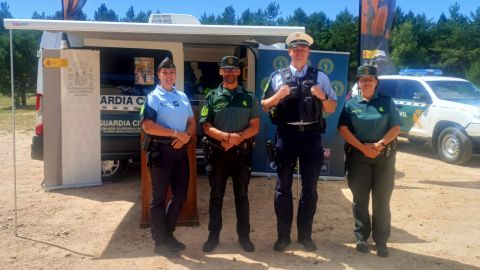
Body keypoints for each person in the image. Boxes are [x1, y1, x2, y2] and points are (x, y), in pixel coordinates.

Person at [261, 32, 337, 252]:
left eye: (304, 48)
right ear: (289, 52)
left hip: (312, 137)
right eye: (296, 49)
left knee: (309, 188)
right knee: (282, 188)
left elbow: (332, 107)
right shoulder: (277, 76)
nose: (300, 52)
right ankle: (283, 237)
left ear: (308, 52)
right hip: (286, 136)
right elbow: (265, 105)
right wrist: (278, 96)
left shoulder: (320, 77)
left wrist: (323, 97)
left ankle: (305, 236)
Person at [337, 65, 401, 257]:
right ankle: (362, 237)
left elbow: (396, 127)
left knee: (382, 200)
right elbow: (343, 129)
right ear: (358, 82)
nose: (366, 82)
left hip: (384, 157)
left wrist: (380, 145)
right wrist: (363, 148)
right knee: (360, 199)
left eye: (370, 79)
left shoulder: (387, 103)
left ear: (376, 82)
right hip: (358, 157)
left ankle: (381, 241)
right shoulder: (350, 104)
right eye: (362, 79)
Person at [199, 56, 260, 253]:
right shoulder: (212, 96)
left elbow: (255, 127)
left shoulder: (249, 97)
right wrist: (226, 137)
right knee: (216, 196)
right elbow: (206, 126)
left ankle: (244, 236)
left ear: (239, 72)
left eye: (234, 70)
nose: (230, 73)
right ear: (221, 72)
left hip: (241, 154)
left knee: (242, 196)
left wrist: (237, 138)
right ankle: (213, 236)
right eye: (226, 69)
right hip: (218, 153)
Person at [141, 57, 196, 255]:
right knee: (158, 198)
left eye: (171, 72)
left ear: (175, 74)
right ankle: (160, 241)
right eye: (165, 73)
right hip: (161, 152)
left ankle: (168, 234)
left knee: (180, 195)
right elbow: (147, 125)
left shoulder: (182, 96)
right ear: (159, 75)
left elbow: (191, 121)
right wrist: (175, 133)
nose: (169, 75)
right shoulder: (154, 97)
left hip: (180, 151)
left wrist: (186, 136)